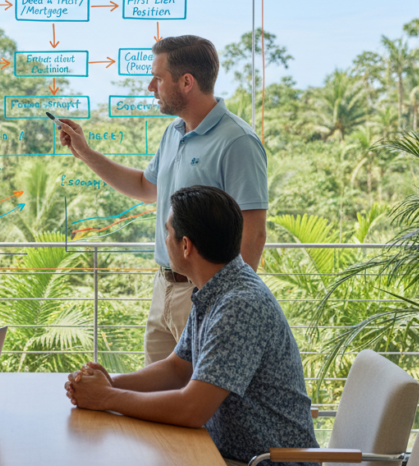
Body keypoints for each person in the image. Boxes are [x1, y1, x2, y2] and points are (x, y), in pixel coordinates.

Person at [63, 186, 317, 466]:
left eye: (167, 232)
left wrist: (107, 397)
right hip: (226, 453)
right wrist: (109, 382)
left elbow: (192, 409)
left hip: (265, 462)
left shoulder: (239, 305)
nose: (164, 240)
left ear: (186, 246)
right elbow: (178, 368)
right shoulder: (217, 287)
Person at [56, 35, 268, 365]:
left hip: (206, 293)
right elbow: (144, 186)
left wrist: (225, 303)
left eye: (157, 77)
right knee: (158, 396)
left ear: (186, 82)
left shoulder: (237, 141)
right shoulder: (174, 132)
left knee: (201, 406)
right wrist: (85, 154)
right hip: (164, 287)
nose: (150, 87)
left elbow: (254, 235)